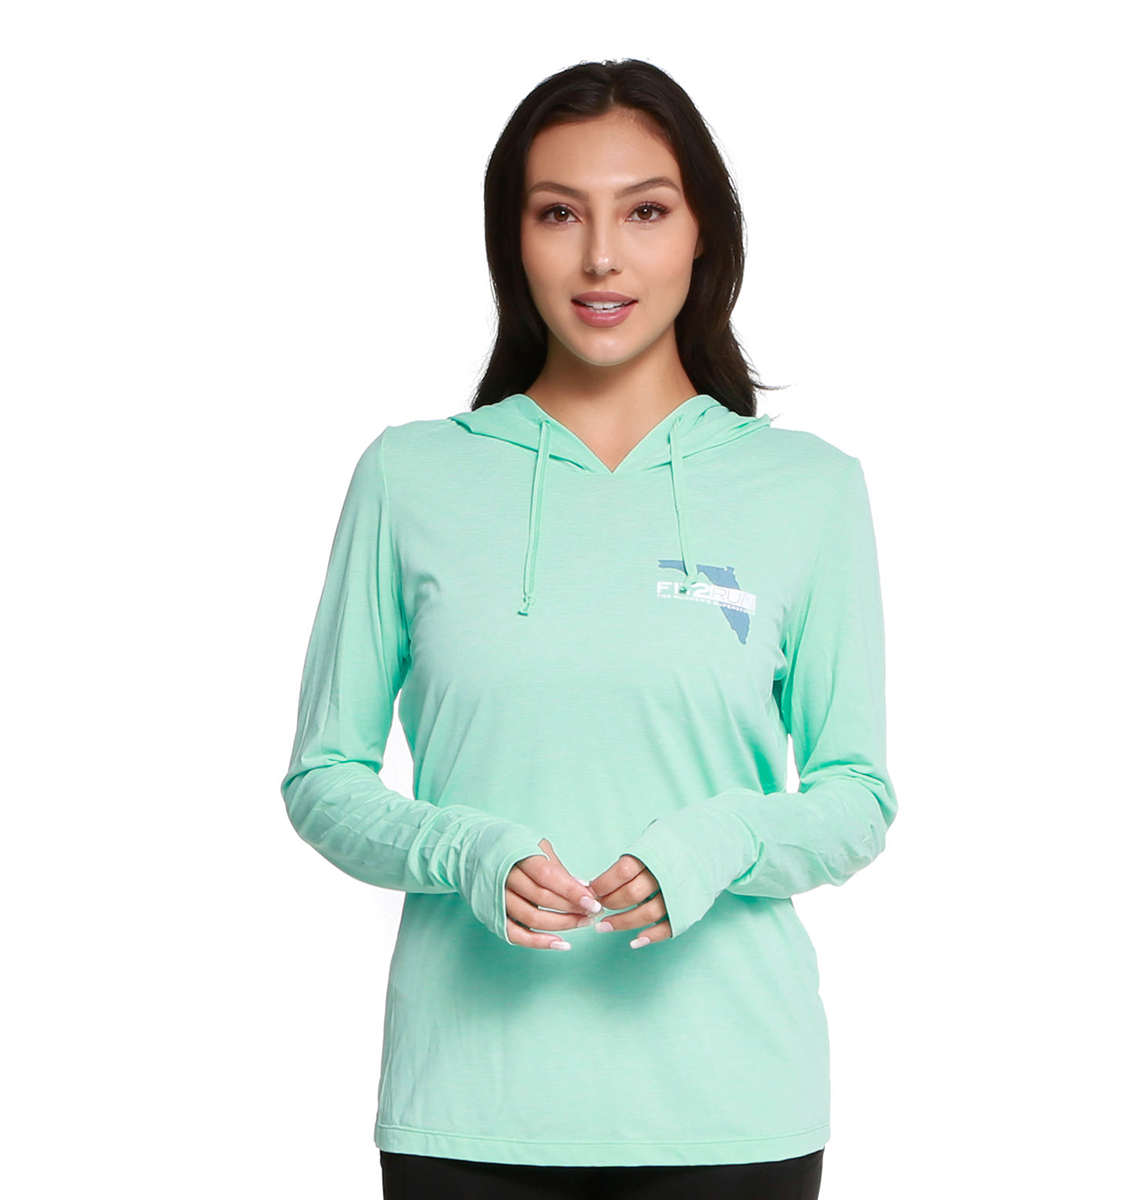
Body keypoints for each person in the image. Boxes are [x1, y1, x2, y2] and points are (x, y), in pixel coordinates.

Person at [280, 57, 897, 1200]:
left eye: (645, 211)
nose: (602, 257)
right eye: (560, 213)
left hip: (732, 1115)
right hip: (470, 1112)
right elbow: (324, 777)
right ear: (512, 241)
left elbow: (857, 795)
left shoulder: (808, 490)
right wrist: (465, 851)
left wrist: (716, 843)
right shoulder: (410, 478)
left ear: (703, 234)